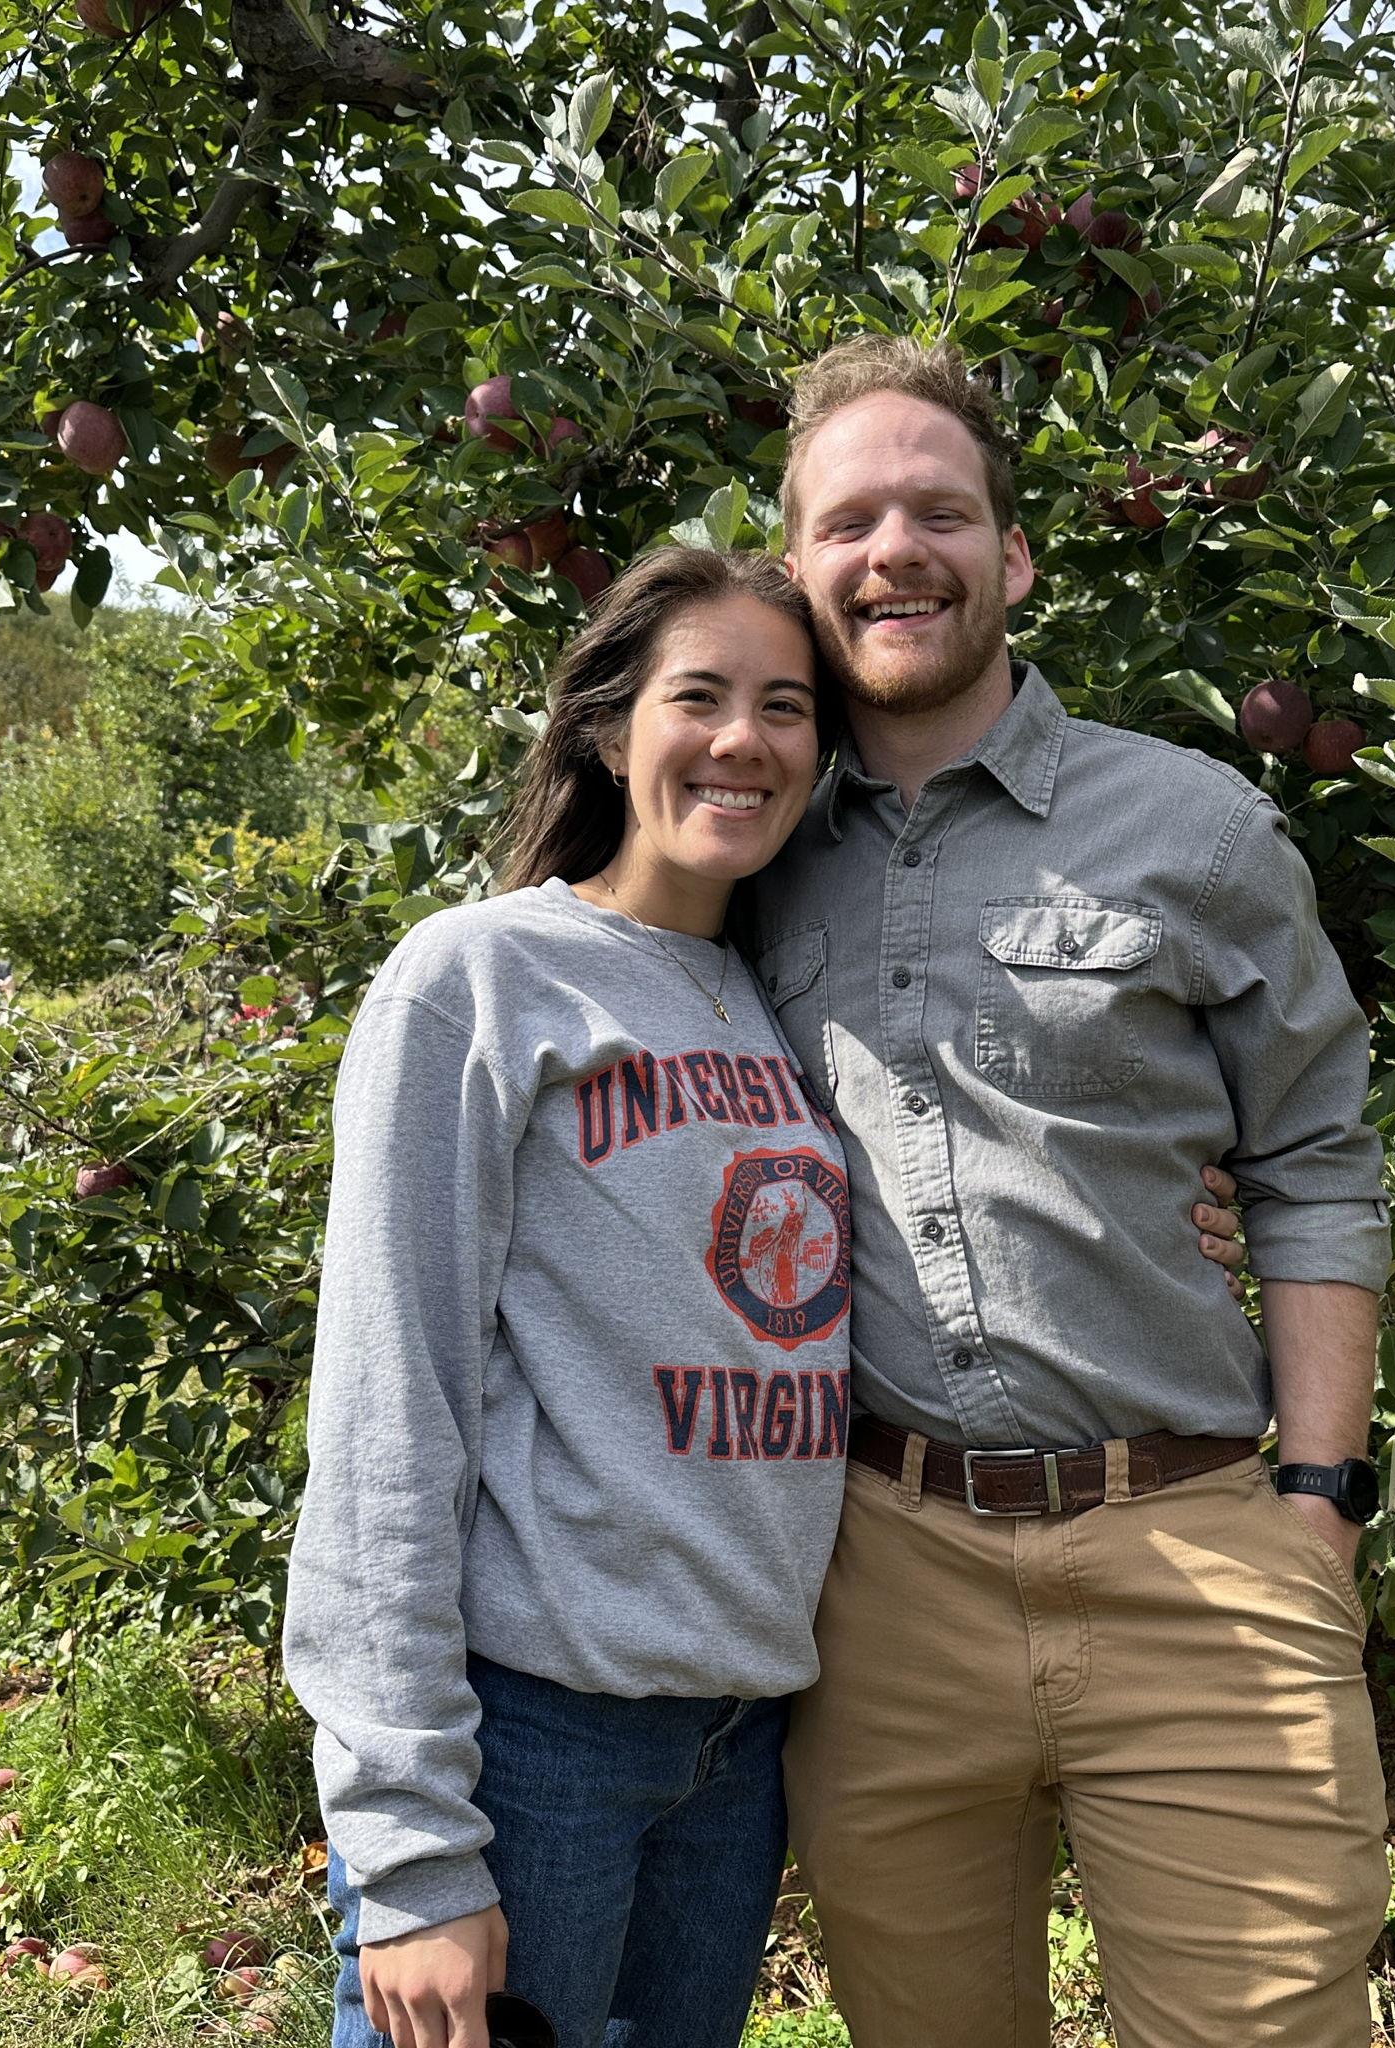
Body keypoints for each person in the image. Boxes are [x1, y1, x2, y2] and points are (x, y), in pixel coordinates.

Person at [280, 544, 1252, 2048]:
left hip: (738, 1742)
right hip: (541, 1729)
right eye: (701, 696)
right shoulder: (481, 979)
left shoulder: (780, 993)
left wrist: (1184, 1196)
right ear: (609, 726)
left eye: (788, 706)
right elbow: (382, 1408)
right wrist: (407, 1840)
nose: (745, 739)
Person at [739, 337, 1392, 2048]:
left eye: (939, 511)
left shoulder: (1192, 826)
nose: (895, 549)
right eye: (849, 518)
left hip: (1192, 1551)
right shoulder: (734, 847)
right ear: (793, 565)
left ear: (1012, 557)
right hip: (876, 1582)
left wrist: (1317, 1498)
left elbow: (1314, 1159)